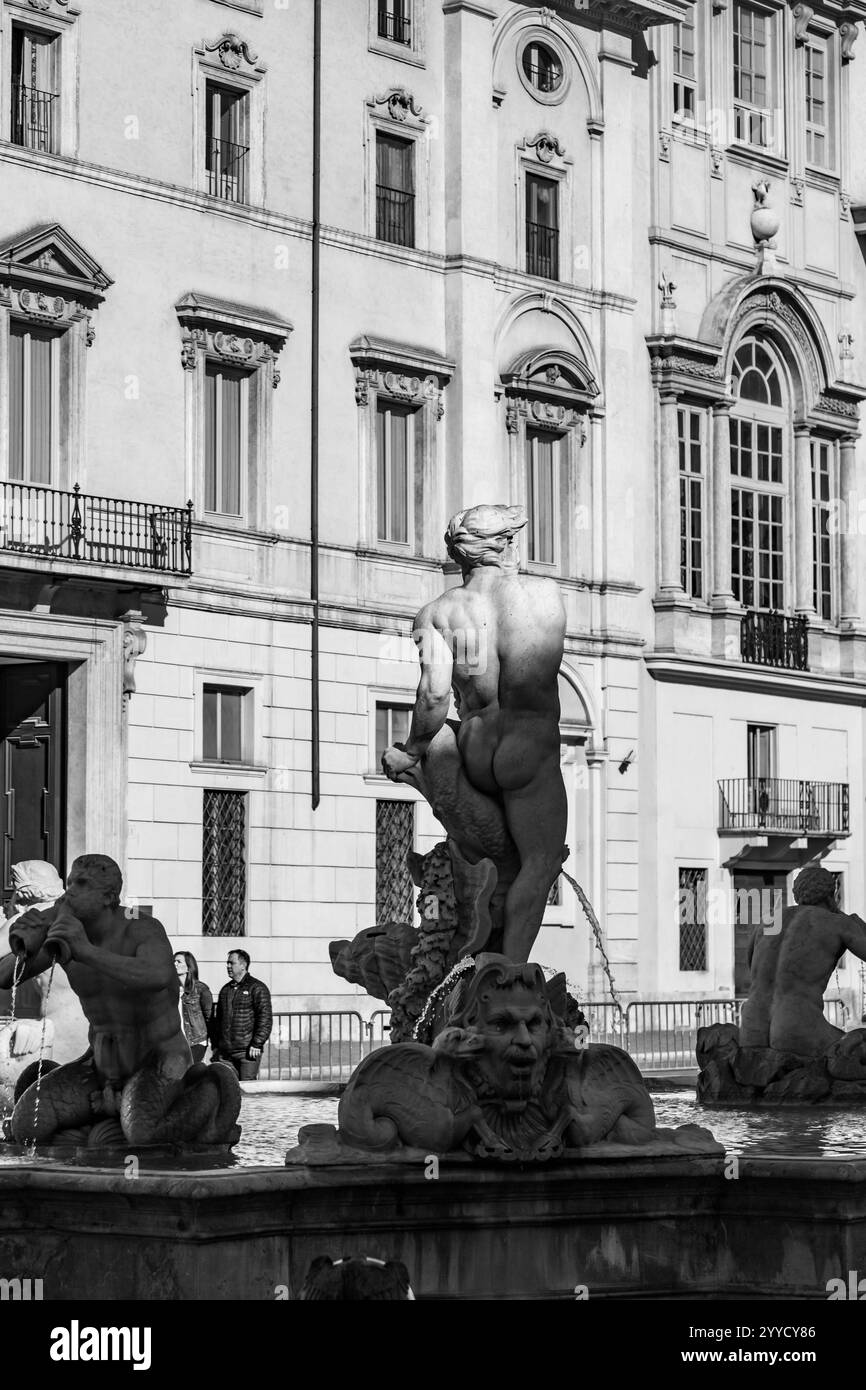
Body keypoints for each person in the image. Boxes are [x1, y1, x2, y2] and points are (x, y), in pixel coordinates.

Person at [382, 504, 567, 963]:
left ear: (459, 554)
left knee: (495, 856)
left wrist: (411, 751)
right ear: (505, 544)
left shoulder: (436, 614)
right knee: (539, 863)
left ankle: (474, 929)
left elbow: (433, 695)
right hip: (528, 747)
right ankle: (511, 971)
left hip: (476, 745)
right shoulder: (545, 595)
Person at [0, 854, 240, 1145]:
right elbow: (4, 979)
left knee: (144, 1137)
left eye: (82, 883)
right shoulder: (65, 932)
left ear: (109, 897)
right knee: (27, 1125)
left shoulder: (141, 928)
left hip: (158, 1060)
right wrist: (26, 945)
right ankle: (101, 1124)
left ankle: (209, 1091)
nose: (70, 891)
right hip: (99, 1066)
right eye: (71, 881)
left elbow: (157, 976)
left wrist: (85, 951)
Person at [740, 864, 866, 1057]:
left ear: (797, 895)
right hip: (797, 1027)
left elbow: (752, 969)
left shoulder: (767, 922)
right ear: (830, 896)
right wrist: (858, 925)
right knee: (857, 1047)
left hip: (751, 1027)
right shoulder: (838, 923)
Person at [211, 949, 273, 1080]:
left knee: (247, 1092)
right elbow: (218, 1020)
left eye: (231, 963)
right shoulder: (225, 990)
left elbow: (265, 1018)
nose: (227, 966)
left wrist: (257, 1043)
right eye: (227, 963)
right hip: (225, 1053)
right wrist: (216, 1045)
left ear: (243, 965)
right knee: (226, 1088)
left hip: (247, 1051)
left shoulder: (257, 988)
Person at [174, 952, 213, 1064]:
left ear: (188, 967)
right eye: (173, 961)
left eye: (178, 961)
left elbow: (209, 1017)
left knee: (189, 1071)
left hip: (195, 1041)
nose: (174, 964)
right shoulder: (170, 990)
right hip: (177, 1042)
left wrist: (212, 1043)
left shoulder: (200, 989)